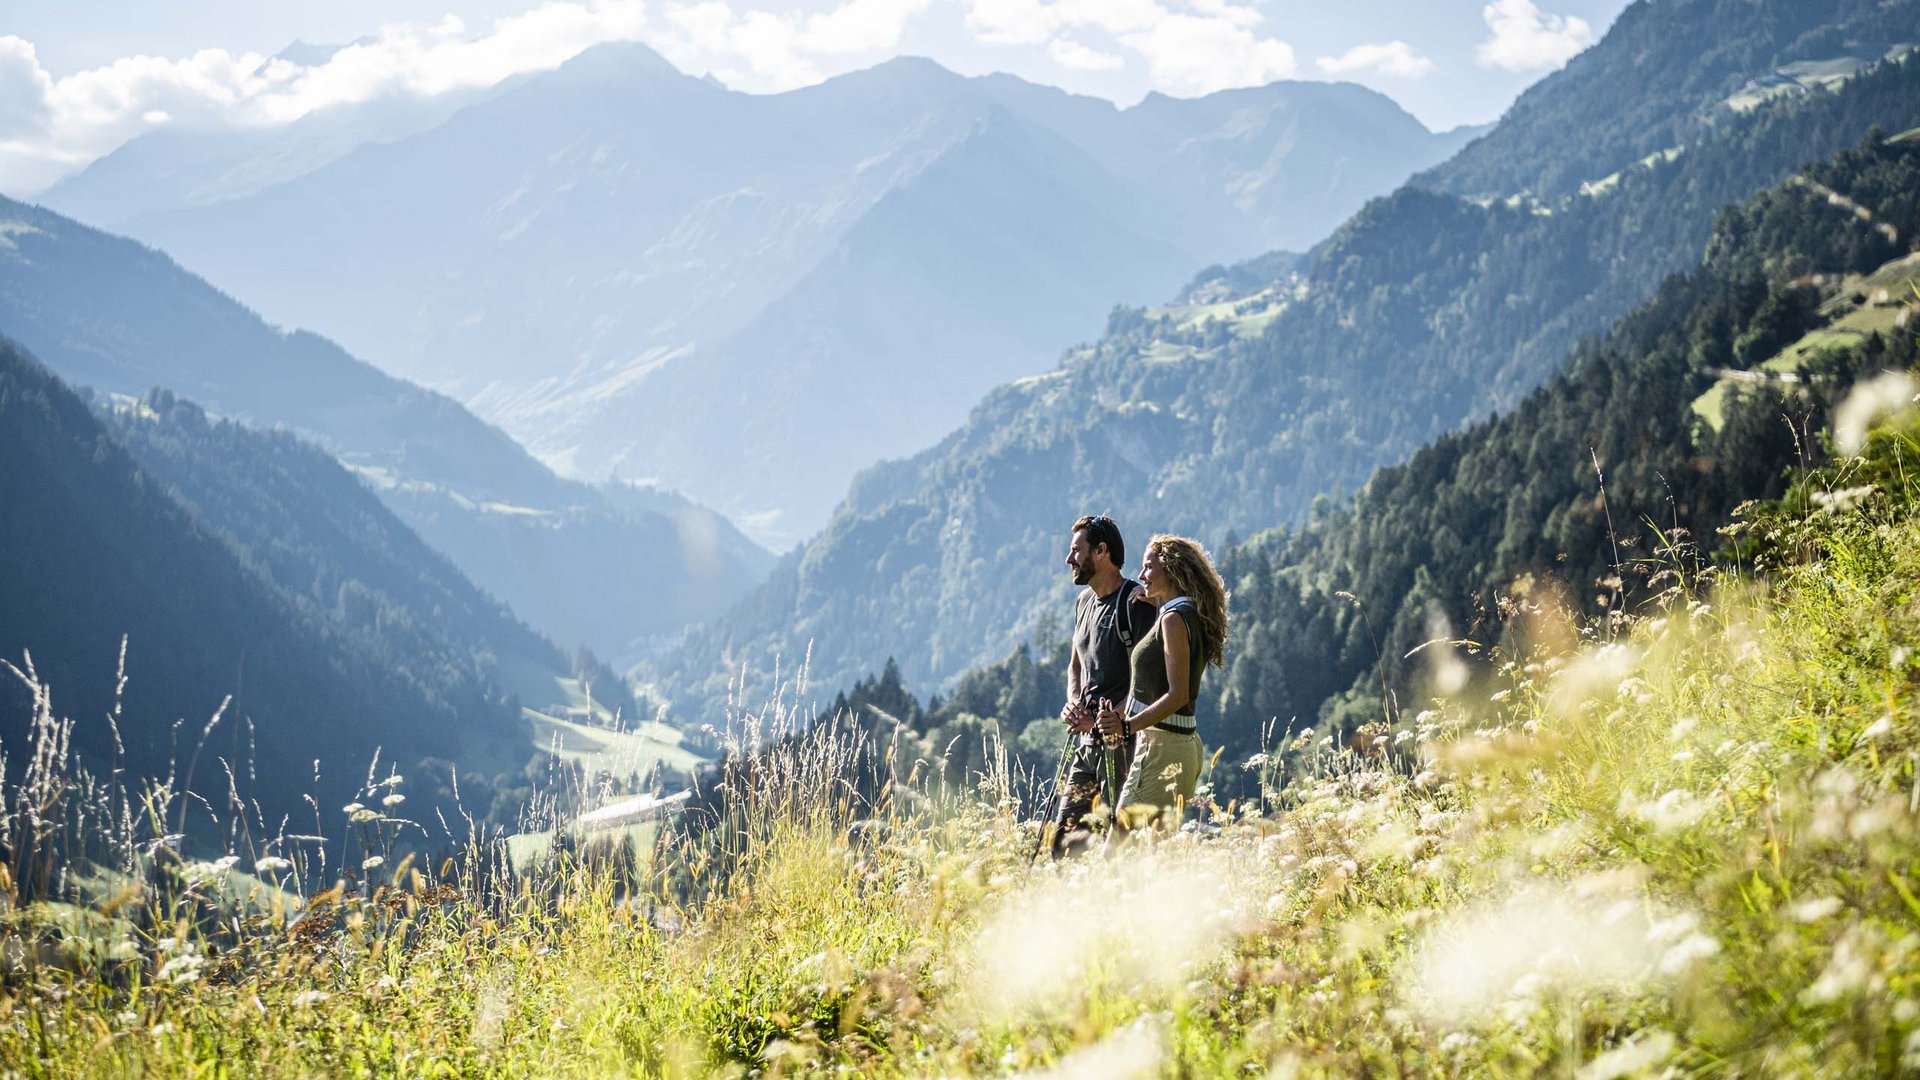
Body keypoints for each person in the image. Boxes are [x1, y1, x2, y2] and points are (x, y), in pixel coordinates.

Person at [1096, 534, 1229, 832]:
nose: (1141, 575)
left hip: (1164, 747)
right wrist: (1157, 602)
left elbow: (1178, 694)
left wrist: (1127, 726)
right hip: (1172, 744)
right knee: (1151, 854)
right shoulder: (1182, 613)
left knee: (1120, 848)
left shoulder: (1172, 620)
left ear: (1170, 569)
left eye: (1148, 567)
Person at [1047, 514, 1155, 857]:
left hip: (1122, 744)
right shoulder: (1083, 604)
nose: (1069, 559)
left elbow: (1149, 680)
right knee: (1065, 844)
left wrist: (1106, 720)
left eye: (1076, 550)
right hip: (1087, 744)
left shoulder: (1134, 604)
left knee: (1117, 846)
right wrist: (1072, 702)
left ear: (1101, 551)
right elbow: (1075, 665)